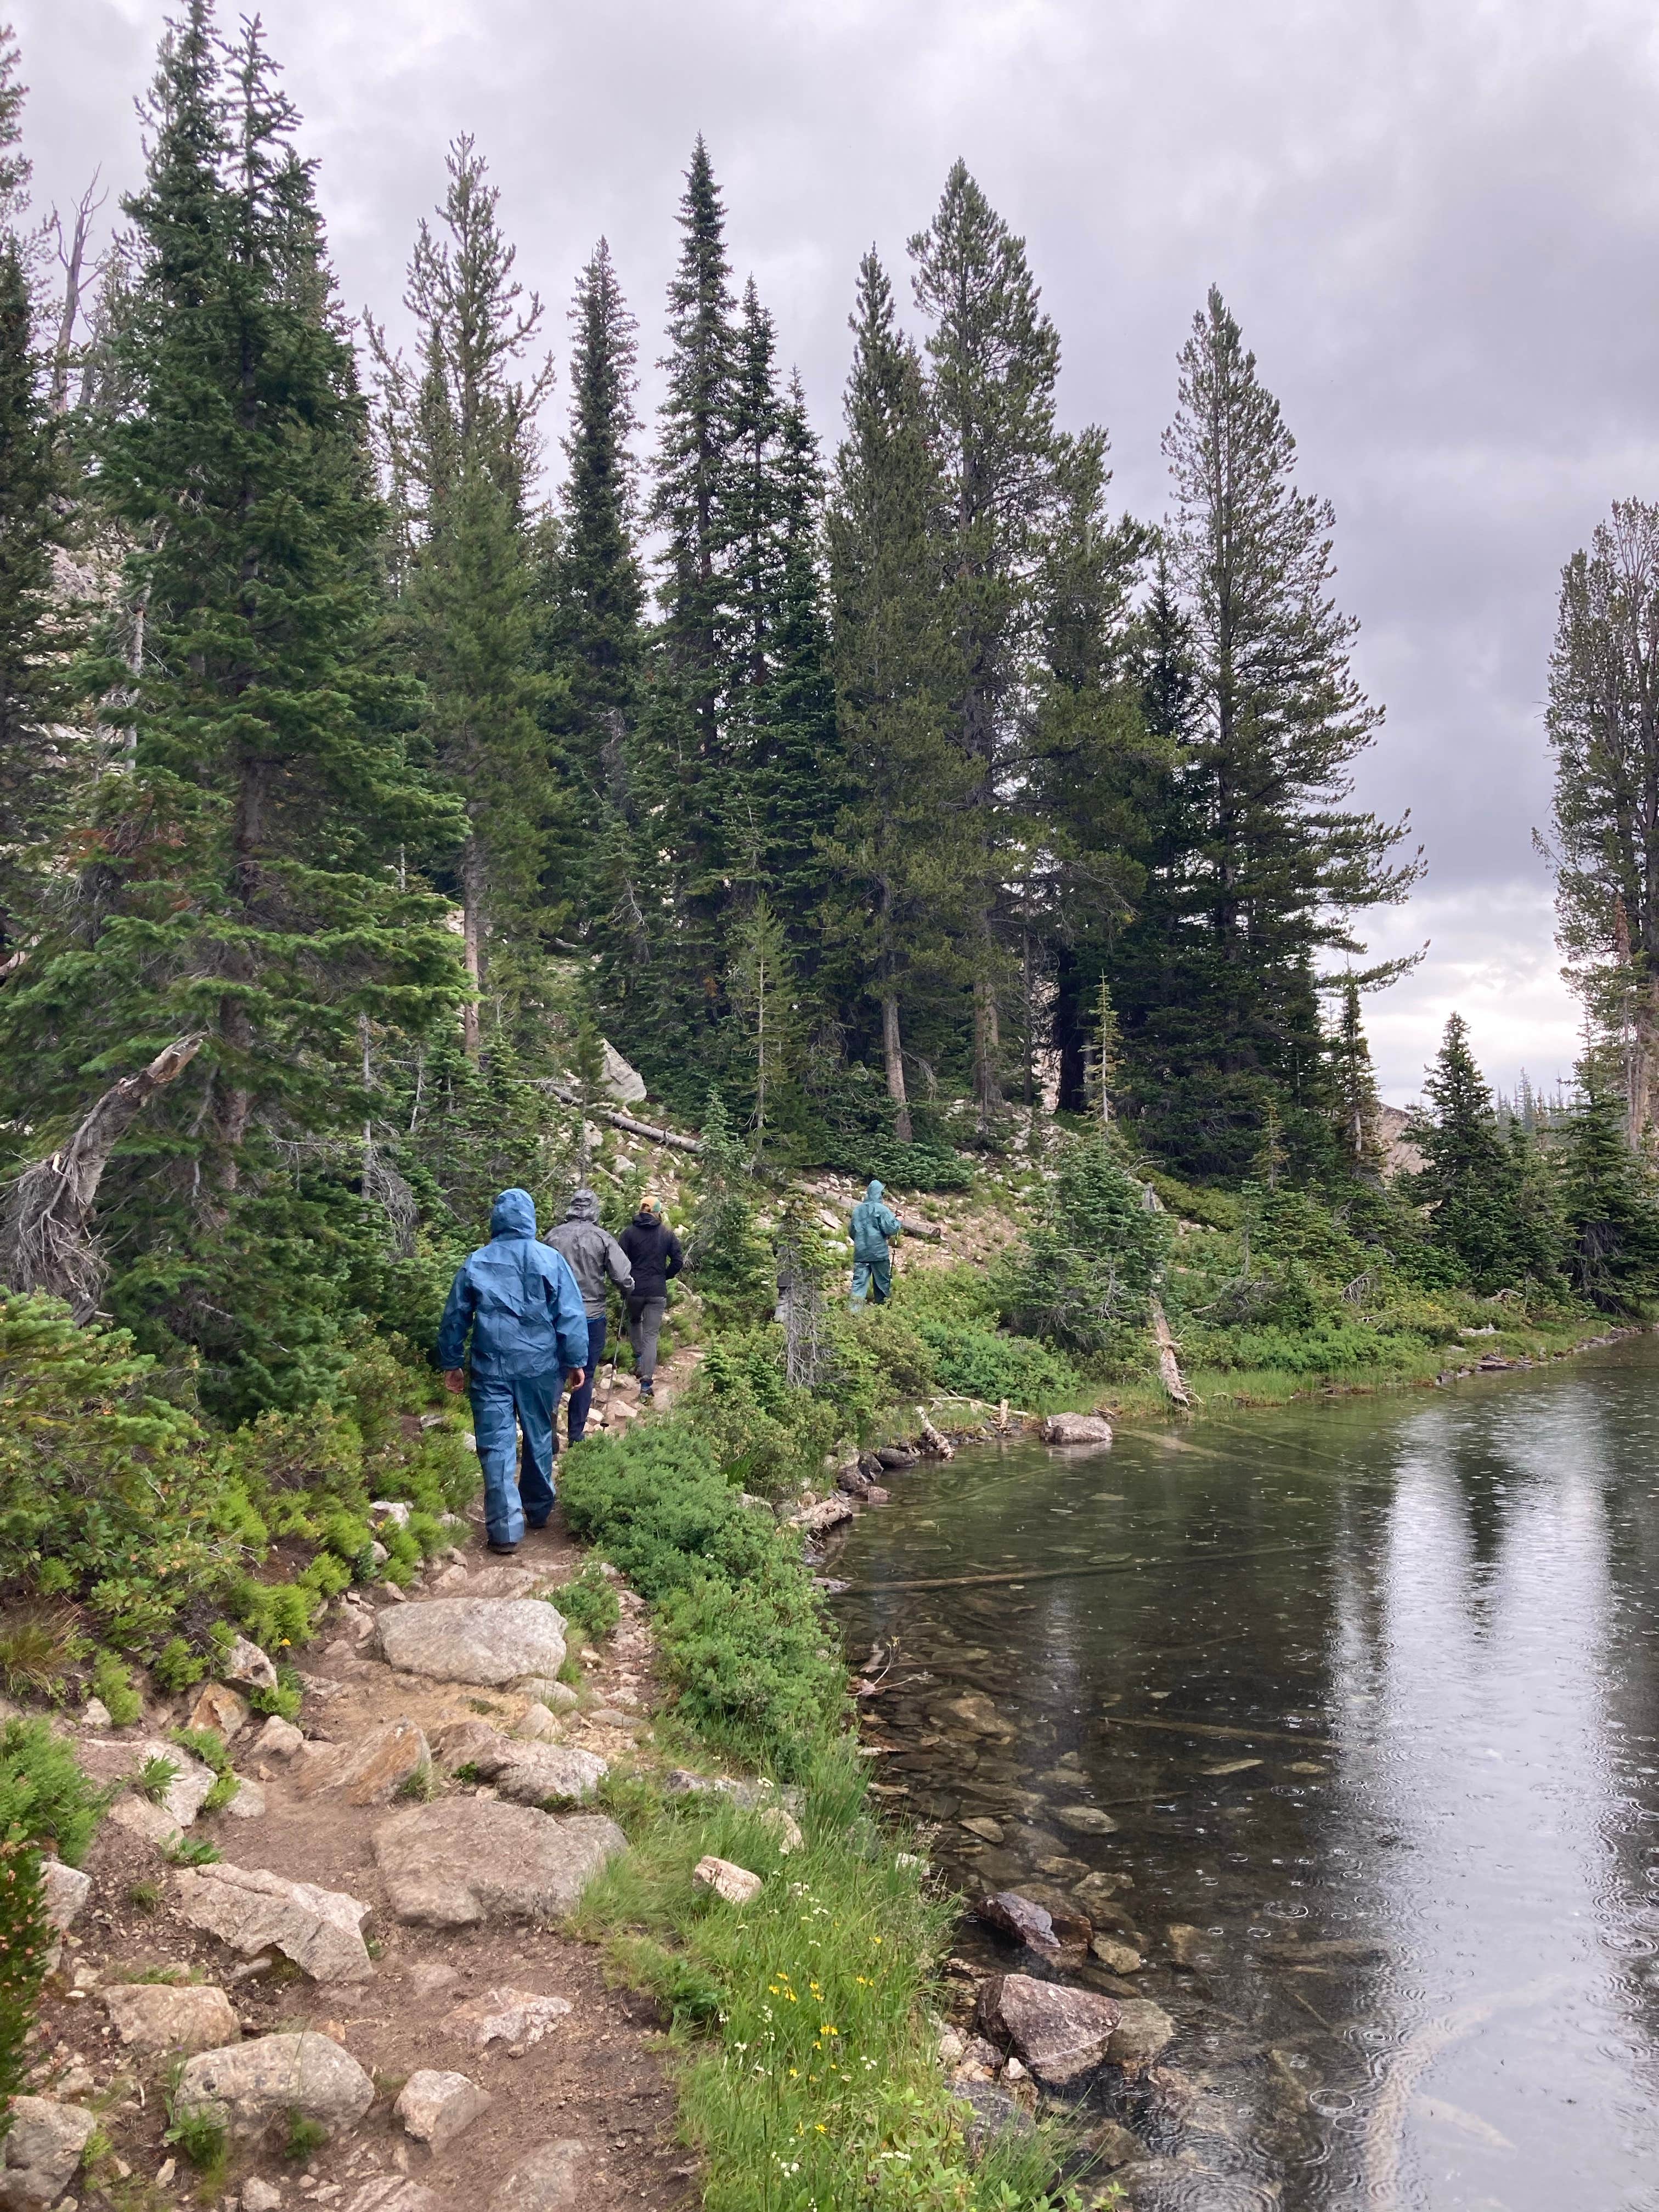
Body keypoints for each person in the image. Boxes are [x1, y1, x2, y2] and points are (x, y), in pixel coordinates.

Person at [436, 1187, 589, 1555]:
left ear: (497, 1219)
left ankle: (504, 1531)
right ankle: (537, 1511)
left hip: (490, 1366)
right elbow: (569, 1312)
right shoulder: (549, 1259)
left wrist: (452, 1362)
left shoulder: (476, 1261)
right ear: (530, 1219)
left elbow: (455, 1316)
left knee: (496, 1445)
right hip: (540, 1366)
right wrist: (576, 1361)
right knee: (539, 1434)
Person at [543, 1187, 633, 1443]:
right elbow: (622, 1276)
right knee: (586, 1373)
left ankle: (548, 1432)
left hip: (556, 1316)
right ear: (595, 1210)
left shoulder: (552, 1237)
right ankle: (575, 1434)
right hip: (591, 1317)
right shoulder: (602, 1238)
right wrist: (628, 1289)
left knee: (556, 1371)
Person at [618, 1193, 684, 1400]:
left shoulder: (628, 1233)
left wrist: (625, 1282)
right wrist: (665, 1275)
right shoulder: (666, 1234)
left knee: (634, 1321)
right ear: (658, 1213)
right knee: (652, 1335)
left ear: (641, 1210)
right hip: (657, 1290)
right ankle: (646, 1384)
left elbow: (619, 1262)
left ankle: (638, 1358)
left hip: (634, 1289)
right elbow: (678, 1261)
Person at [849, 1177, 902, 1307]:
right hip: (879, 1254)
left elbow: (852, 1232)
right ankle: (883, 1310)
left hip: (861, 1253)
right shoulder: (882, 1210)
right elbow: (891, 1228)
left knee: (859, 1285)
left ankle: (853, 1314)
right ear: (879, 1194)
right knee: (882, 1284)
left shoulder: (857, 1211)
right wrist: (899, 1220)